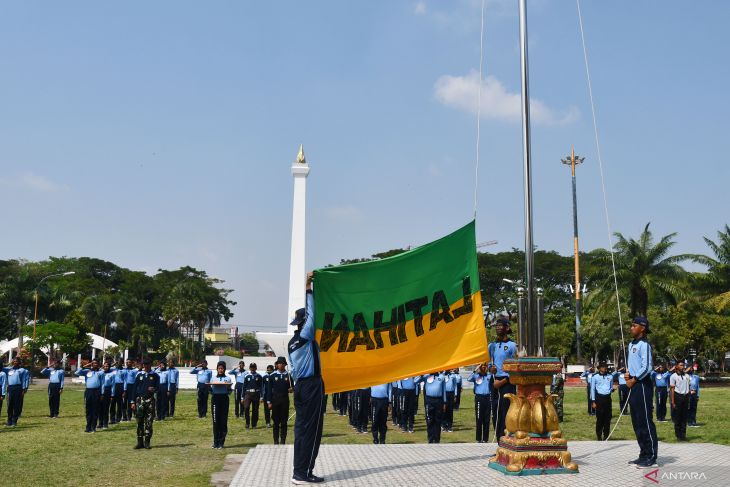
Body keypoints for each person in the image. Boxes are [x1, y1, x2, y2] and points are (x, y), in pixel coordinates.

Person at [288, 271, 325, 484]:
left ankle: (300, 470)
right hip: (311, 386)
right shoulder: (305, 335)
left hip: (301, 386)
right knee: (312, 430)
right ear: (303, 323)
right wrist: (308, 287)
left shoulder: (292, 342)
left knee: (301, 430)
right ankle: (303, 473)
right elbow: (313, 314)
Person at [625, 316, 658, 468]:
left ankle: (651, 456)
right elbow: (633, 365)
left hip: (642, 385)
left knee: (645, 420)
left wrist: (634, 379)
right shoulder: (631, 344)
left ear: (642, 328)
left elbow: (647, 367)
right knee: (636, 421)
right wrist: (627, 375)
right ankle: (643, 453)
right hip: (632, 383)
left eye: (634, 325)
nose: (631, 328)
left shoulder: (645, 345)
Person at [488, 317, 517, 440]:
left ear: (507, 327)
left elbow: (516, 366)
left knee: (506, 411)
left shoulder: (512, 346)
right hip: (494, 382)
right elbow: (489, 363)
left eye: (501, 325)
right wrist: (491, 369)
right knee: (495, 411)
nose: (498, 327)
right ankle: (499, 441)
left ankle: (507, 439)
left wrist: (504, 381)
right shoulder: (492, 345)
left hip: (507, 382)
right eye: (497, 325)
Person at [130, 357, 159, 449]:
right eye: (144, 364)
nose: (145, 366)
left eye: (147, 364)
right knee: (139, 421)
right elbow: (134, 388)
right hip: (140, 401)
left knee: (149, 422)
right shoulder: (139, 375)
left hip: (150, 400)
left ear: (150, 365)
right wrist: (132, 401)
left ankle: (147, 442)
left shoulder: (155, 375)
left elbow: (158, 388)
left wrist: (154, 389)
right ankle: (140, 442)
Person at [266, 356, 293, 445]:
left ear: (285, 365)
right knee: (276, 421)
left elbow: (292, 388)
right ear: (277, 365)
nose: (281, 365)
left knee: (284, 421)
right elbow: (269, 390)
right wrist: (269, 402)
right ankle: (275, 440)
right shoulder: (272, 376)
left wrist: (291, 389)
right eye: (279, 363)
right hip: (275, 400)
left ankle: (283, 440)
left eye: (282, 363)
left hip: (285, 400)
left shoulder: (288, 376)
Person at [417, 372, 447, 443]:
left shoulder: (441, 377)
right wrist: (421, 374)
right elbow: (416, 381)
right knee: (429, 420)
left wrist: (445, 402)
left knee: (437, 421)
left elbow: (444, 390)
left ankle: (437, 439)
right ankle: (430, 439)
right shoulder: (426, 376)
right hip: (429, 400)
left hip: (439, 400)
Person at [209, 360, 233, 449]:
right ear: (217, 369)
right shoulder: (213, 379)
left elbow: (230, 392)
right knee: (215, 422)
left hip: (224, 399)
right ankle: (215, 442)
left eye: (222, 368)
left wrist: (229, 387)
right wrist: (209, 389)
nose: (220, 370)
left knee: (223, 422)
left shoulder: (228, 379)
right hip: (215, 399)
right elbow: (210, 390)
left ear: (224, 369)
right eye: (219, 368)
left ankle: (221, 443)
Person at [591, 361, 615, 441]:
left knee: (607, 418)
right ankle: (599, 435)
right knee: (600, 418)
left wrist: (612, 389)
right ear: (599, 368)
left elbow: (611, 387)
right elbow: (592, 389)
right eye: (603, 367)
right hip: (599, 399)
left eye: (605, 367)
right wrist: (593, 401)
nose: (605, 368)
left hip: (607, 398)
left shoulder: (610, 376)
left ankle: (606, 436)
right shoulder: (595, 377)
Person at [468, 362, 491, 443]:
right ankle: (478, 438)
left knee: (487, 419)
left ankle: (485, 438)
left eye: (485, 365)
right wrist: (475, 370)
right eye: (482, 366)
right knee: (479, 418)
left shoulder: (489, 376)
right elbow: (469, 379)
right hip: (479, 398)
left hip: (488, 398)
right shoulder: (476, 376)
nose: (483, 367)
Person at [669, 360, 690, 441]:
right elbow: (672, 390)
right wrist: (673, 401)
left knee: (684, 417)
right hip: (678, 396)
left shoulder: (687, 376)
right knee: (677, 417)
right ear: (676, 366)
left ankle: (683, 435)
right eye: (681, 365)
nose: (683, 367)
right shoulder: (673, 376)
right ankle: (678, 436)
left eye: (683, 365)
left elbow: (688, 386)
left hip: (686, 396)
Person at [242, 363, 263, 429]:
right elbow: (244, 387)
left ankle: (254, 424)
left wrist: (262, 397)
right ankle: (247, 423)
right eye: (251, 367)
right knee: (246, 407)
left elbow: (261, 387)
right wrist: (242, 397)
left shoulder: (259, 376)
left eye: (254, 367)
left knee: (255, 409)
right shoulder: (247, 376)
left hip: (256, 394)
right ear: (250, 368)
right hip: (248, 394)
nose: (252, 369)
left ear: (256, 368)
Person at [99, 361, 115, 429]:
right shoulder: (100, 373)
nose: (106, 367)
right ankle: (100, 423)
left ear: (109, 367)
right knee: (100, 408)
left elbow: (113, 385)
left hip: (107, 391)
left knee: (106, 408)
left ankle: (105, 423)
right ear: (103, 367)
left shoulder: (111, 374)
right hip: (100, 392)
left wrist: (112, 395)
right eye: (105, 366)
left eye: (107, 366)